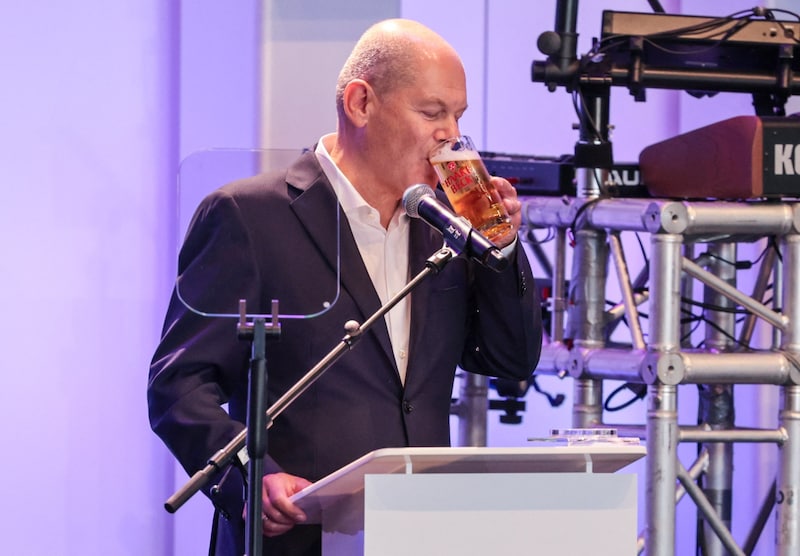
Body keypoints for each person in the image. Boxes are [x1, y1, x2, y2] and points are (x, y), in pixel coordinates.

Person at [148, 18, 542, 556]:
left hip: (418, 534)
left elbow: (510, 360)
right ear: (360, 103)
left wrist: (501, 248)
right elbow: (180, 386)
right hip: (298, 538)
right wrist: (250, 478)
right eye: (432, 112)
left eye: (458, 115)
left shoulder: (445, 225)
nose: (450, 133)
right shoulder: (248, 215)